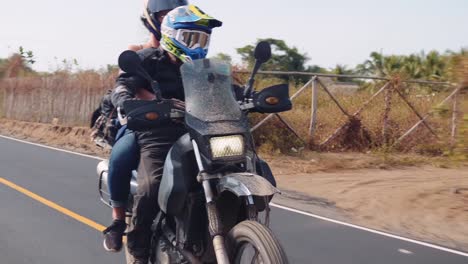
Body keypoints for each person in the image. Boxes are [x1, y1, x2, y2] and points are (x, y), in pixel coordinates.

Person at [107, 5, 221, 263]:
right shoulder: (145, 58)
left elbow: (227, 91)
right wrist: (123, 98)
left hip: (198, 131)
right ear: (171, 34)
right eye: (191, 38)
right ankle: (138, 247)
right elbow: (123, 84)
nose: (198, 44)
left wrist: (250, 98)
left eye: (202, 38)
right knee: (152, 186)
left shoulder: (205, 68)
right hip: (157, 131)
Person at [100, 0, 189, 255]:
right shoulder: (139, 53)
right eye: (163, 14)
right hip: (143, 121)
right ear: (152, 19)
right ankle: (118, 221)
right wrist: (158, 102)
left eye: (174, 14)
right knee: (122, 155)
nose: (168, 19)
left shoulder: (190, 54)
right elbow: (128, 85)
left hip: (182, 124)